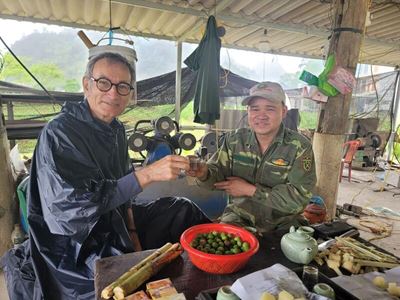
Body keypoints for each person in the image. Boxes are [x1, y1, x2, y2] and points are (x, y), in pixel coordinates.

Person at [1, 52, 210, 300]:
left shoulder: (116, 129)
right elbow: (71, 210)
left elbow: (124, 190)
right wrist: (147, 174)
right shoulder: (60, 133)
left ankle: (212, 274)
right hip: (70, 243)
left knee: (181, 208)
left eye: (123, 86)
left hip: (112, 218)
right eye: (104, 83)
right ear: (86, 84)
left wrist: (132, 233)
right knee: (117, 275)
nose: (113, 93)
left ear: (130, 93)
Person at [188, 81, 316, 233]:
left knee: (294, 254)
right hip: (239, 218)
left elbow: (299, 199)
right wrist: (203, 173)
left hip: (284, 224)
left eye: (270, 108)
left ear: (284, 111)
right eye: (255, 109)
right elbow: (216, 177)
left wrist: (250, 190)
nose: (261, 116)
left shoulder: (299, 147)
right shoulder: (234, 140)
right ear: (248, 111)